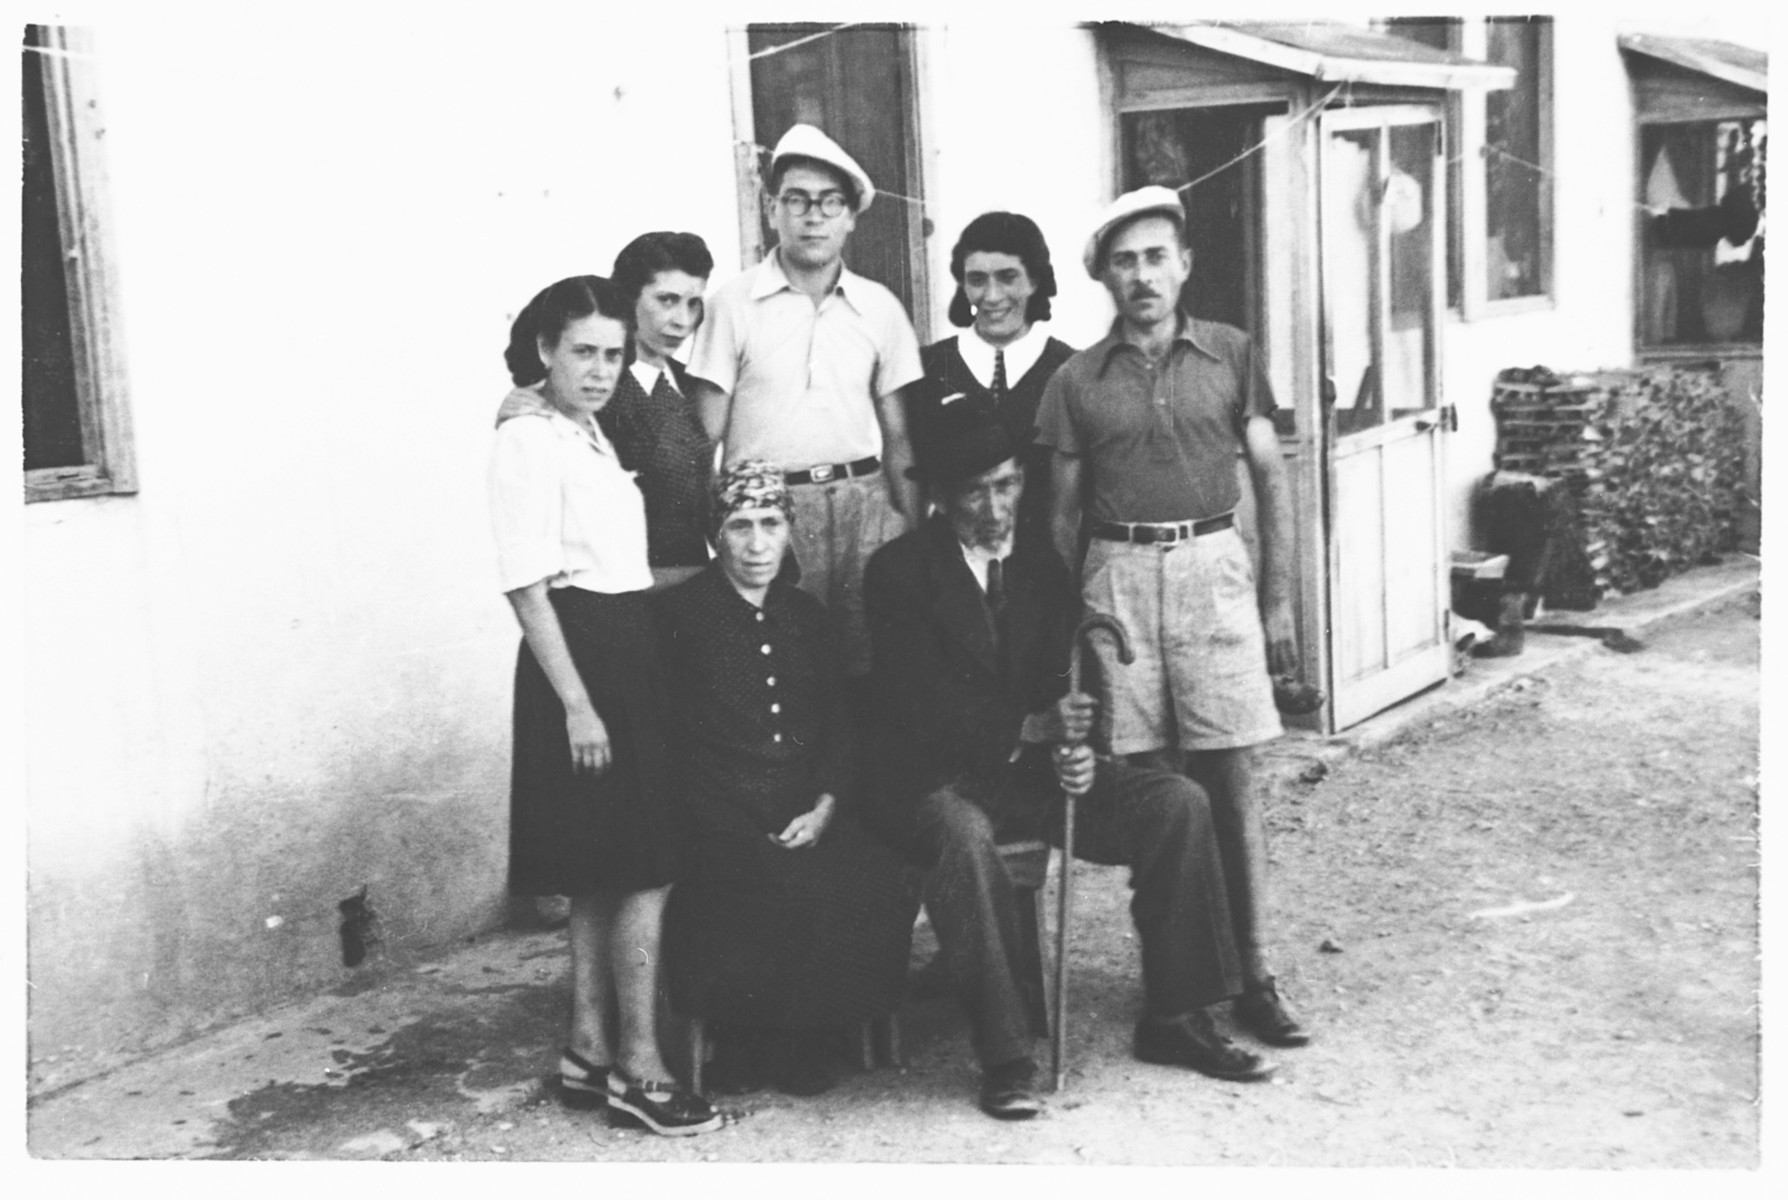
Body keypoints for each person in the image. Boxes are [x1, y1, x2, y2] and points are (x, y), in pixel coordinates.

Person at [864, 401, 1273, 1122]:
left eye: (1008, 485)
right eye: (975, 492)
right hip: (935, 784)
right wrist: (1029, 726)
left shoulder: (1037, 562)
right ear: (936, 496)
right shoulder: (898, 573)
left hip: (1032, 776)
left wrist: (1080, 746)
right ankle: (1006, 1055)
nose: (996, 508)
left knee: (1178, 803)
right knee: (964, 839)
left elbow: (1065, 675)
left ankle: (1178, 1015)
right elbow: (914, 708)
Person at [1035, 186, 1311, 1049]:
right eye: (1126, 261)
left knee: (1228, 781)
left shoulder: (1230, 352)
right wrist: (1072, 625)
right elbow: (1059, 516)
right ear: (1106, 279)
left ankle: (1254, 974)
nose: (1143, 275)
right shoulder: (1076, 379)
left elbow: (1271, 477)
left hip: (1212, 567)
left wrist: (1275, 600)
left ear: (1184, 265)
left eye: (1157, 257)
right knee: (1154, 789)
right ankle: (1179, 987)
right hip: (1117, 576)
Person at [487, 275, 720, 1137]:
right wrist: (580, 707)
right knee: (646, 868)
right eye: (582, 351)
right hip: (582, 658)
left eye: (614, 355)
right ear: (544, 348)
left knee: (597, 870)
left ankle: (587, 1051)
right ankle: (641, 1071)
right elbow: (524, 583)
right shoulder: (528, 441)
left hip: (624, 646)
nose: (599, 369)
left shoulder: (579, 430)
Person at [657, 462, 917, 1096]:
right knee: (767, 878)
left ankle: (821, 1030)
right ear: (714, 535)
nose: (756, 544)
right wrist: (735, 814)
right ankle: (757, 1042)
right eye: (739, 526)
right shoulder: (681, 617)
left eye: (770, 524)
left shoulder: (806, 615)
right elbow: (672, 743)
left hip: (808, 804)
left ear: (788, 530)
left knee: (880, 868)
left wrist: (826, 805)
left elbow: (837, 725)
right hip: (716, 812)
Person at [685, 123, 925, 688]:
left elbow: (899, 438)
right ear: (772, 209)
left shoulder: (881, 308)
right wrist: (714, 535)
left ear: (850, 216)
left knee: (872, 665)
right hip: (773, 514)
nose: (813, 216)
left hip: (866, 508)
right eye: (797, 200)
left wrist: (913, 534)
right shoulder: (733, 304)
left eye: (829, 202)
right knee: (784, 669)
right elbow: (704, 438)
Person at [498, 232, 717, 588]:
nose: (682, 320)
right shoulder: (586, 393)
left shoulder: (691, 384)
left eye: (693, 304)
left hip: (692, 600)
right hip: (623, 598)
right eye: (667, 300)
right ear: (628, 299)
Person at [908, 211, 1076, 547]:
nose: (992, 296)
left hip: (1043, 571)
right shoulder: (926, 368)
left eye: (1008, 277)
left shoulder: (1072, 371)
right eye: (977, 280)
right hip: (953, 571)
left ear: (1034, 280)